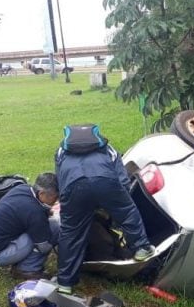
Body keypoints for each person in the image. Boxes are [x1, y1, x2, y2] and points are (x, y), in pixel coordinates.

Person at [54, 124, 156, 294]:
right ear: (97, 136)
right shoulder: (108, 149)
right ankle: (141, 248)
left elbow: (60, 180)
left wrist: (72, 202)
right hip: (106, 181)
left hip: (73, 187)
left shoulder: (60, 152)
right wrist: (116, 204)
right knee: (128, 211)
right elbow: (122, 180)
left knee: (70, 233)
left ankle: (65, 283)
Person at [0, 173, 60, 280]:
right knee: (53, 229)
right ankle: (27, 269)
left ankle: (22, 262)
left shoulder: (23, 188)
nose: (56, 201)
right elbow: (44, 247)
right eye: (55, 197)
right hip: (0, 254)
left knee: (44, 228)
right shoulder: (34, 212)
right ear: (41, 193)